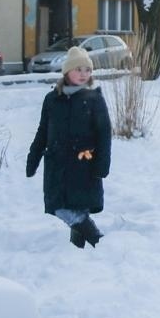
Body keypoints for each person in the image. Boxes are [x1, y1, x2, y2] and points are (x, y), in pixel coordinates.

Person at [25, 46, 112, 249]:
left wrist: (102, 165)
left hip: (84, 165)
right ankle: (84, 249)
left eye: (87, 70)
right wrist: (33, 158)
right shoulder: (52, 100)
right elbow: (43, 131)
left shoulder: (94, 100)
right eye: (78, 69)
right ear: (67, 72)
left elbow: (104, 134)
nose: (83, 75)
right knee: (61, 207)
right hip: (58, 166)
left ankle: (96, 242)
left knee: (77, 210)